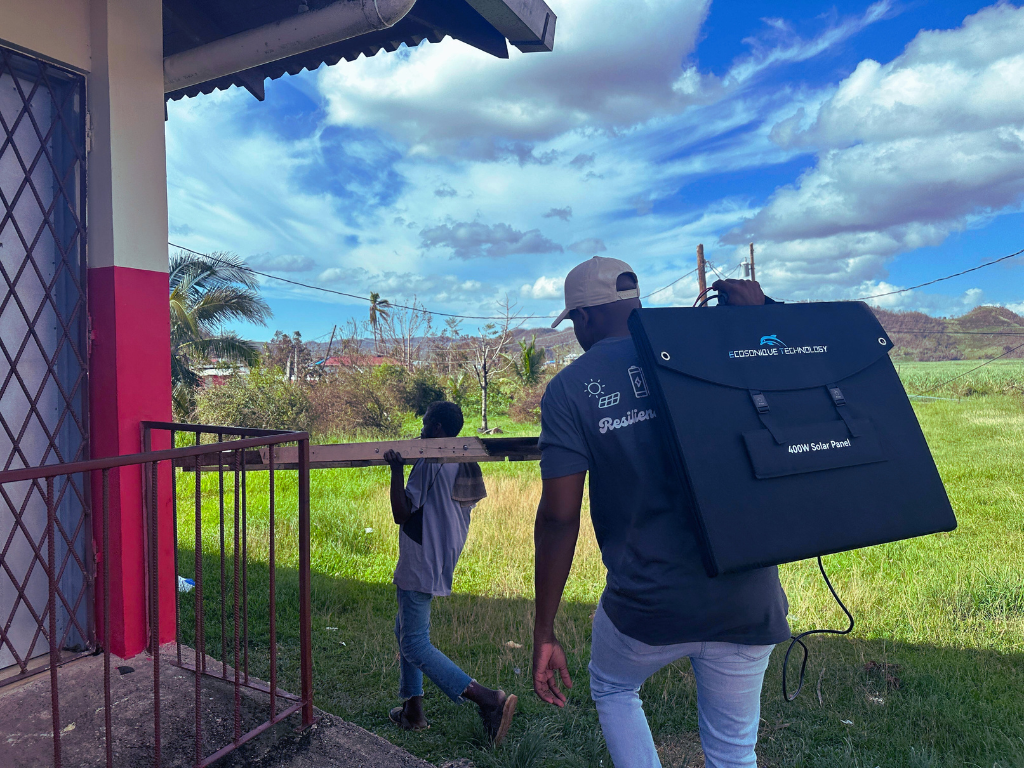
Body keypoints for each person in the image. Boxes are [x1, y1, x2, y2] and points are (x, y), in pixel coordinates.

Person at [531, 256, 791, 768]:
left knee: (611, 686)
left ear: (581, 319)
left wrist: (544, 630)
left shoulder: (569, 389)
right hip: (747, 598)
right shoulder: (712, 348)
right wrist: (762, 314)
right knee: (735, 751)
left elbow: (560, 518)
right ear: (635, 303)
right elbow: (801, 368)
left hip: (646, 606)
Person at [383, 400, 517, 745]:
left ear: (438, 430)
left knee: (414, 642)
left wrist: (397, 469)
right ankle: (413, 712)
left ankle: (488, 698)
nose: (422, 430)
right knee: (405, 631)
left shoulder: (433, 460)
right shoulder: (465, 458)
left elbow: (402, 512)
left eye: (427, 424)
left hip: (420, 558)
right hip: (442, 555)